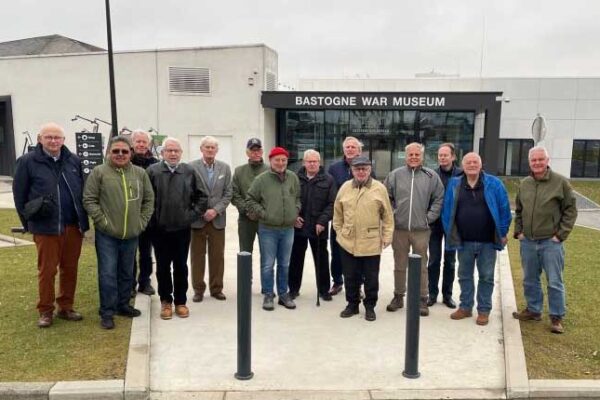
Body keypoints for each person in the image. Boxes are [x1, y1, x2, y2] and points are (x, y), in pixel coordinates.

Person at [13, 122, 89, 328]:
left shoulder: (73, 160)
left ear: (64, 140)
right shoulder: (28, 161)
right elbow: (19, 197)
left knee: (70, 268)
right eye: (49, 137)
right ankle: (45, 310)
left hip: (73, 226)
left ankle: (66, 307)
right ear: (40, 139)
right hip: (46, 228)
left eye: (57, 137)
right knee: (47, 271)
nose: (53, 141)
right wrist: (28, 224)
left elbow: (82, 191)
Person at [83, 136, 154, 330]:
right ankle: (107, 311)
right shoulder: (99, 172)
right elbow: (89, 199)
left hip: (132, 233)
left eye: (124, 151)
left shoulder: (139, 173)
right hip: (107, 235)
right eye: (116, 151)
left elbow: (149, 200)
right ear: (109, 153)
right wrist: (103, 222)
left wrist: (141, 222)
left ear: (130, 152)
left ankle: (123, 305)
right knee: (107, 273)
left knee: (127, 272)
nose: (120, 154)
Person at [442, 152, 512, 326]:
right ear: (463, 165)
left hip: (487, 242)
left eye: (475, 162)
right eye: (468, 162)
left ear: (480, 165)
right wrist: (450, 232)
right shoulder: (454, 184)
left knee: (486, 277)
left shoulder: (494, 184)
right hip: (463, 241)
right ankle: (465, 307)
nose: (471, 165)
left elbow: (504, 210)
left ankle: (483, 310)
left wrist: (502, 233)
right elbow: (447, 211)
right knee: (464, 275)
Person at [512, 146, 577, 334]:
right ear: (529, 162)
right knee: (530, 279)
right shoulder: (524, 183)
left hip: (551, 242)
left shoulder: (561, 183)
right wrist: (519, 232)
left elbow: (570, 210)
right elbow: (519, 211)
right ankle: (534, 310)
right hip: (528, 242)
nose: (537, 163)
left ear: (547, 161)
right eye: (534, 160)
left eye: (541, 159)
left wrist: (560, 235)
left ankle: (556, 317)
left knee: (554, 281)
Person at [147, 138, 208, 320]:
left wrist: (190, 216)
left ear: (181, 153)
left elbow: (202, 197)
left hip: (182, 230)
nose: (173, 154)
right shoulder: (153, 171)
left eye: (176, 150)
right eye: (169, 150)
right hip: (160, 230)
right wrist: (153, 220)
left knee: (181, 266)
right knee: (163, 267)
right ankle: (166, 302)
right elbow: (146, 199)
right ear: (163, 152)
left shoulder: (189, 171)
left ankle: (181, 302)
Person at [384, 142, 444, 317]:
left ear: (422, 156)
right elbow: (385, 196)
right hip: (400, 230)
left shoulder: (431, 176)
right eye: (410, 154)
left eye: (417, 154)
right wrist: (392, 215)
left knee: (421, 266)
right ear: (405, 156)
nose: (414, 157)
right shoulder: (395, 175)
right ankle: (398, 296)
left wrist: (428, 218)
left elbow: (439, 199)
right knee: (399, 264)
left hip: (421, 230)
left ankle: (422, 299)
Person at [333, 156, 393, 322]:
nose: (361, 172)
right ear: (352, 171)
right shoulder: (345, 187)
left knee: (371, 277)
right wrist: (339, 231)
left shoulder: (379, 188)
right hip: (347, 241)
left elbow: (387, 215)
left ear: (369, 170)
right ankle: (352, 304)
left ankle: (370, 306)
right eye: (357, 169)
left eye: (364, 169)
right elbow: (337, 212)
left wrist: (387, 235)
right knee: (350, 276)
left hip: (370, 241)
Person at [246, 146, 300, 311]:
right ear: (270, 161)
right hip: (268, 229)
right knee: (268, 264)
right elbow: (250, 199)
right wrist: (263, 213)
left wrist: (295, 210)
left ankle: (283, 294)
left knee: (284, 264)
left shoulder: (292, 177)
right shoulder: (261, 179)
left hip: (288, 229)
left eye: (284, 160)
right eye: (277, 159)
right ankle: (269, 294)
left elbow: (297, 197)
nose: (281, 163)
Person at [288, 149, 337, 301]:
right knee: (296, 260)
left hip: (318, 227)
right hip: (299, 226)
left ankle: (324, 290)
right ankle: (293, 289)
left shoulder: (328, 179)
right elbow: (289, 200)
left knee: (321, 260)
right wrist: (294, 217)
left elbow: (332, 203)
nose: (312, 164)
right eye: (309, 161)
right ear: (304, 162)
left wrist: (323, 221)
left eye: (315, 161)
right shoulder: (295, 178)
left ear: (319, 162)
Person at [189, 136, 232, 302]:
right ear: (201, 149)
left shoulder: (225, 168)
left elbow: (228, 193)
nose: (210, 150)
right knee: (197, 257)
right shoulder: (191, 167)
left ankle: (216, 288)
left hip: (217, 219)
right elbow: (189, 193)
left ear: (217, 150)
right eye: (207, 147)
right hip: (198, 220)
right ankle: (198, 289)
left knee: (217, 256)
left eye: (213, 147)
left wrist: (216, 210)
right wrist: (201, 211)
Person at [327, 136, 365, 296]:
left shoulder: (366, 167)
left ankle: (359, 284)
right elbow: (329, 191)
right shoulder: (334, 168)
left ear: (359, 150)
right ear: (343, 150)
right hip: (340, 218)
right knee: (337, 252)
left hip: (360, 219)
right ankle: (337, 282)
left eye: (353, 147)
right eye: (347, 147)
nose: (350, 149)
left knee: (359, 253)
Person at [427, 143, 463, 308]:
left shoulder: (461, 174)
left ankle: (447, 295)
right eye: (440, 155)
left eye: (445, 155)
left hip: (453, 225)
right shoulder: (431, 174)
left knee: (450, 261)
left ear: (453, 157)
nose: (442, 158)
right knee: (434, 260)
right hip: (435, 224)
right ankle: (432, 294)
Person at [130, 129, 159, 297]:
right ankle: (130, 283)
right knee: (130, 252)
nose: (141, 144)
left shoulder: (154, 163)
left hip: (149, 216)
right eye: (138, 141)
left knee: (146, 252)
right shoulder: (126, 160)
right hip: (130, 214)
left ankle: (145, 281)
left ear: (148, 144)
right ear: (133, 143)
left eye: (144, 142)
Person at [231, 138, 269, 252]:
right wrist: (247, 211)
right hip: (245, 219)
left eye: (258, 150)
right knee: (245, 253)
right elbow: (234, 194)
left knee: (267, 253)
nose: (256, 153)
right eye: (252, 150)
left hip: (265, 219)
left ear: (262, 152)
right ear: (247, 152)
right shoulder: (239, 171)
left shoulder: (270, 170)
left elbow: (273, 195)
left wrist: (261, 212)